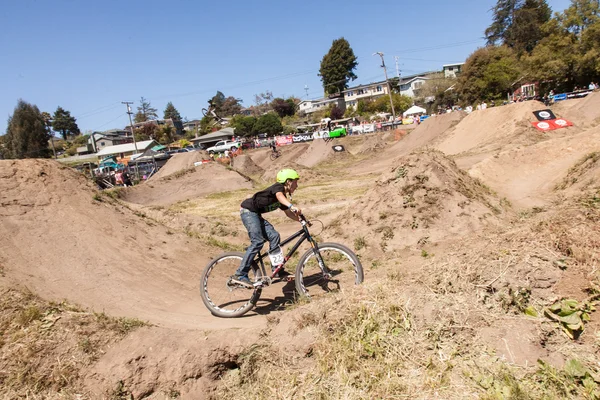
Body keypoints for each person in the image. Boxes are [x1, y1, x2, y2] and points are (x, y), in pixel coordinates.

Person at [232, 169, 301, 285]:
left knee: (274, 236)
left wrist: (303, 220)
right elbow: (279, 196)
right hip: (248, 211)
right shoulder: (278, 188)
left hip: (255, 214)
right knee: (257, 242)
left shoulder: (282, 197)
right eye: (295, 182)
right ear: (288, 182)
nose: (297, 185)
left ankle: (277, 269)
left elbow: (288, 213)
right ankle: (240, 274)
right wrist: (291, 205)